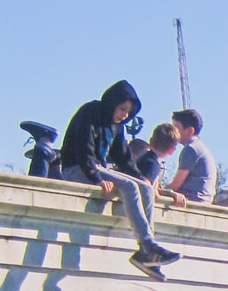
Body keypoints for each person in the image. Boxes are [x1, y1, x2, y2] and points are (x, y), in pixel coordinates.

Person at [60, 80, 177, 280]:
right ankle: (147, 245)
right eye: (122, 109)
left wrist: (143, 179)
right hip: (77, 168)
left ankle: (147, 250)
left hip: (97, 167)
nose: (124, 115)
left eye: (128, 113)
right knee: (129, 186)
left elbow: (123, 158)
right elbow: (83, 149)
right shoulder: (90, 112)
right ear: (112, 103)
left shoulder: (117, 127)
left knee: (145, 188)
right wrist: (95, 178)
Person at [167, 109, 215, 205]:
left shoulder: (191, 150)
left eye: (176, 128)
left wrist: (158, 190)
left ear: (190, 131)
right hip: (202, 200)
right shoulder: (200, 148)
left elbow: (175, 185)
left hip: (191, 201)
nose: (173, 131)